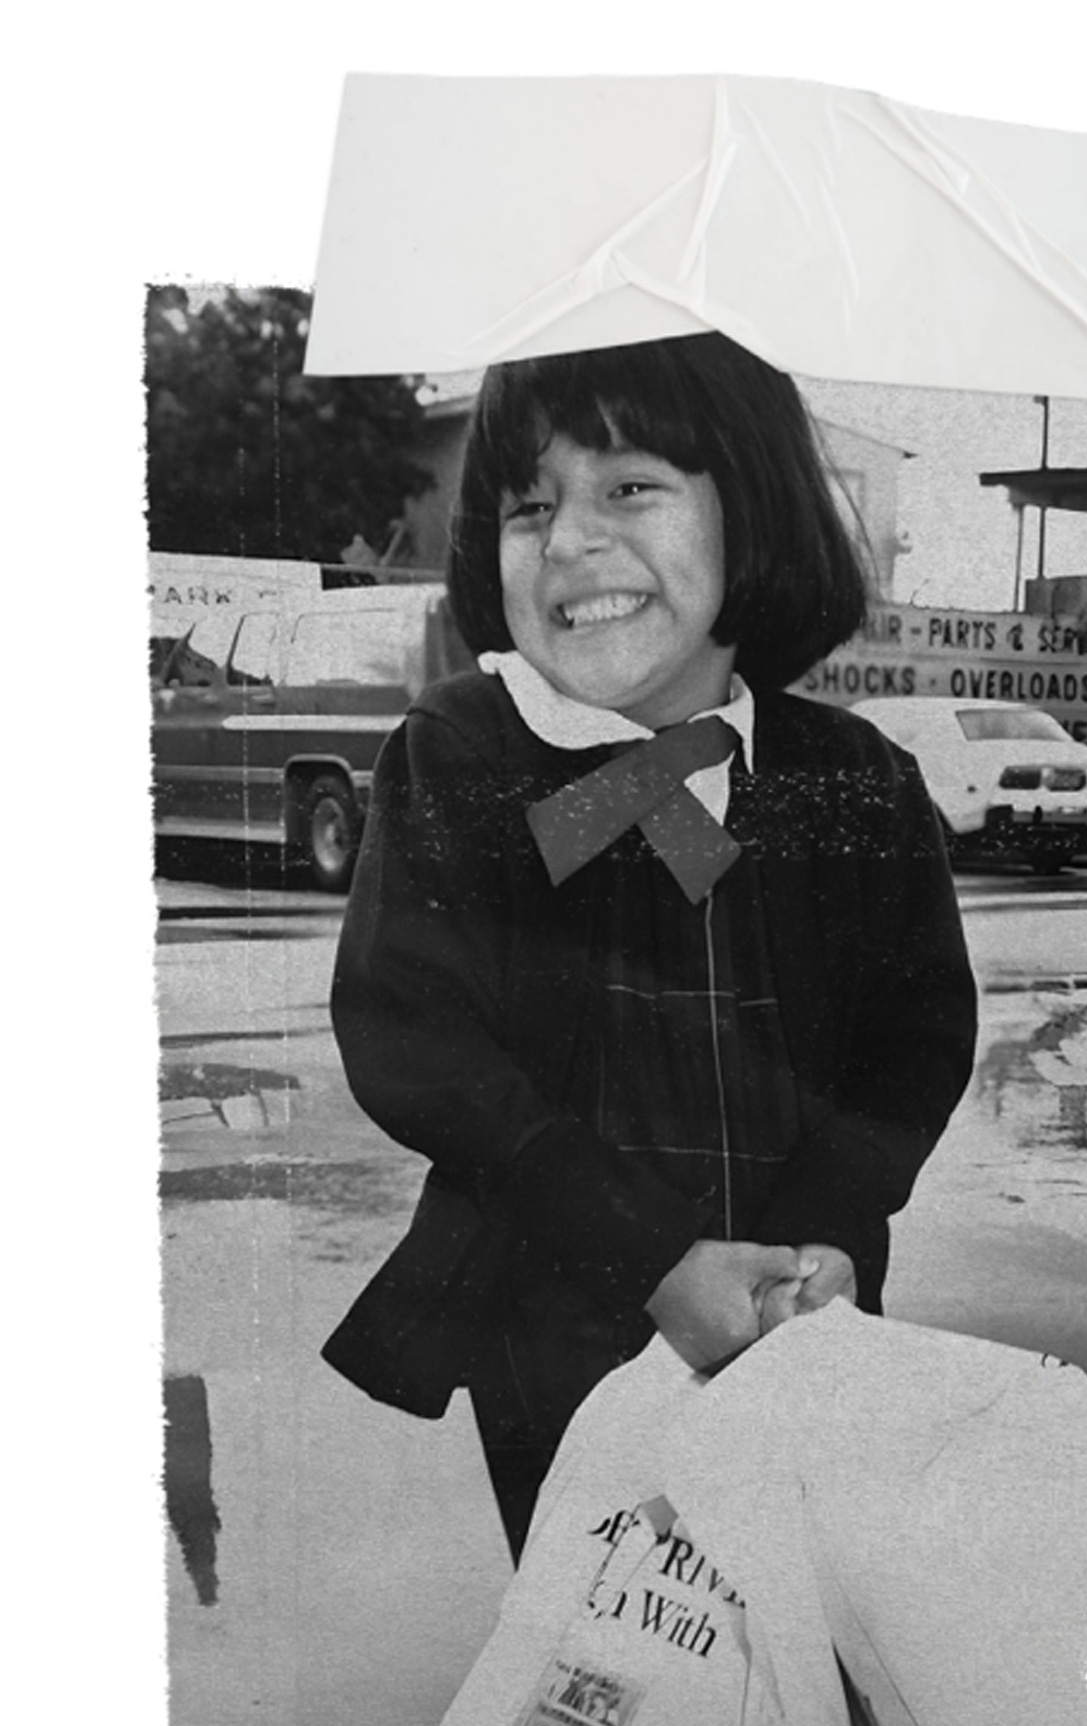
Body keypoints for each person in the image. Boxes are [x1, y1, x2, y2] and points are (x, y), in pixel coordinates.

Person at [322, 332, 978, 1564]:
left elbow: (916, 1039)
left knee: (799, 1647)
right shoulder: (465, 754)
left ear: (756, 514)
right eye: (530, 505)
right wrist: (655, 1257)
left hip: (802, 1313)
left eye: (630, 486)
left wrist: (829, 1231)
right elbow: (415, 1039)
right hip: (559, 1319)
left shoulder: (851, 781)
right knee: (615, 1660)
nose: (571, 539)